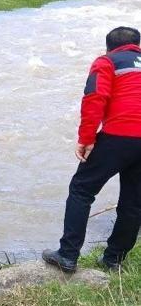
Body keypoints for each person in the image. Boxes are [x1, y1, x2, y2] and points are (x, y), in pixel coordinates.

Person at [43, 26, 141, 273]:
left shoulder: (106, 62)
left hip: (118, 135)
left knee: (81, 190)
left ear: (109, 46)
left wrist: (86, 138)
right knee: (134, 202)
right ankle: (113, 260)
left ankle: (67, 255)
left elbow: (95, 98)